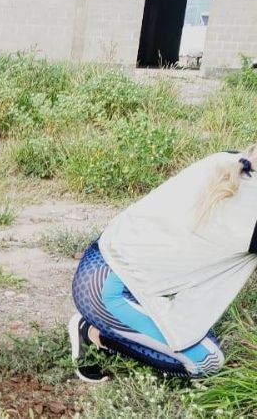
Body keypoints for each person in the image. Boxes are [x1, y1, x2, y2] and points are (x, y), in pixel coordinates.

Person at [69, 146, 257, 381]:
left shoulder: (229, 159)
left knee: (195, 333)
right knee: (208, 360)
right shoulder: (251, 210)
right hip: (106, 294)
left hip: (102, 261)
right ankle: (95, 334)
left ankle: (117, 324)